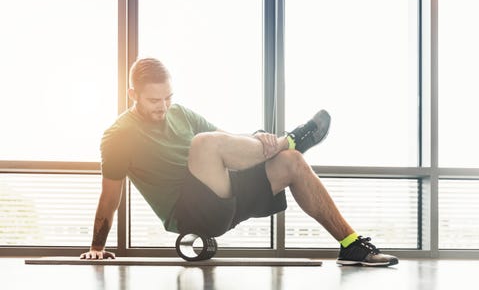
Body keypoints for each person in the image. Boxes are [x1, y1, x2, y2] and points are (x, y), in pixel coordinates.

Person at [80, 57, 398, 267]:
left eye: (168, 97)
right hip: (190, 211)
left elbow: (227, 142)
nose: (163, 107)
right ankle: (288, 138)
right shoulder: (119, 135)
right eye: (153, 100)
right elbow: (110, 198)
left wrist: (258, 139)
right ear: (132, 94)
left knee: (292, 161)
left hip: (224, 190)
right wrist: (96, 246)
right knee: (204, 144)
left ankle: (351, 245)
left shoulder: (181, 113)